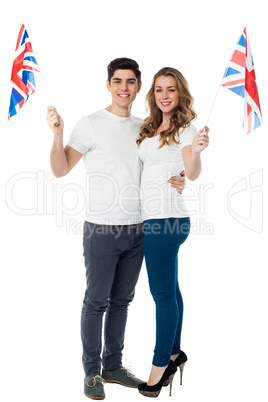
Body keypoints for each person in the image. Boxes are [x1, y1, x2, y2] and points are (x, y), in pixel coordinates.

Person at [46, 58, 186, 400]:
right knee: (96, 302)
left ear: (139, 88)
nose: (124, 87)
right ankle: (92, 372)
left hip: (139, 228)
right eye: (118, 81)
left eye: (131, 82)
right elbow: (61, 169)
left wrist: (179, 178)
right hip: (101, 229)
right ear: (108, 85)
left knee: (122, 300)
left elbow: (160, 165)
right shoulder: (90, 124)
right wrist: (58, 134)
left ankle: (113, 365)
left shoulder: (145, 129)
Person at [136, 67, 209, 397]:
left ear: (180, 94)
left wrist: (196, 151)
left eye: (171, 89)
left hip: (166, 220)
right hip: (154, 219)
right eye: (159, 89)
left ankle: (159, 367)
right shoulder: (151, 127)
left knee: (162, 295)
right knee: (171, 291)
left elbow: (191, 173)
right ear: (153, 94)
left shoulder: (184, 128)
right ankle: (175, 353)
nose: (165, 95)